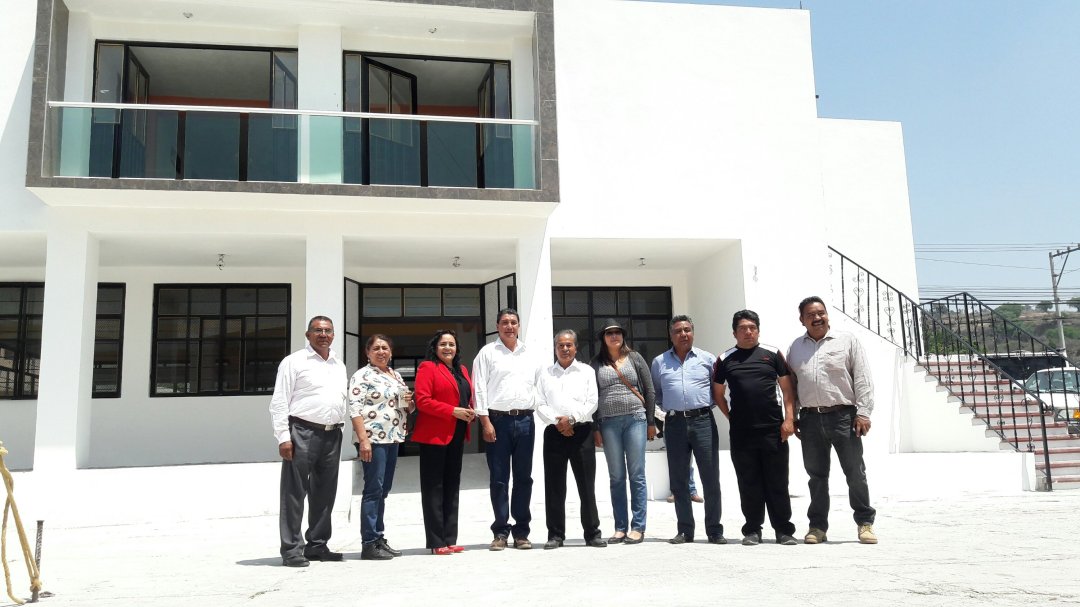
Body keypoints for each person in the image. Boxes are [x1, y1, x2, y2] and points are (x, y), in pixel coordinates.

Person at [786, 296, 878, 545]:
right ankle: (817, 527)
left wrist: (864, 413)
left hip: (844, 417)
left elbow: (862, 377)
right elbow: (791, 386)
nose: (817, 318)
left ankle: (865, 523)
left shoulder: (847, 341)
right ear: (802, 320)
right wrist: (793, 416)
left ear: (827, 315)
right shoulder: (795, 348)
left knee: (855, 473)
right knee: (816, 477)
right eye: (810, 315)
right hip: (809, 419)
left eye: (821, 313)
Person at [712, 310, 797, 546]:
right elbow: (718, 394)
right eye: (742, 328)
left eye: (752, 327)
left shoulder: (772, 354)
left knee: (778, 482)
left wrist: (789, 419)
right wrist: (732, 417)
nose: (748, 332)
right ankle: (752, 530)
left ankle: (784, 530)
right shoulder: (725, 359)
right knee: (748, 482)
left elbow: (787, 390)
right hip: (742, 433)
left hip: (773, 430)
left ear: (758, 330)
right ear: (734, 333)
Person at [269, 315, 348, 567]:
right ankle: (292, 549)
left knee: (325, 493)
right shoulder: (294, 362)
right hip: (302, 431)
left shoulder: (338, 364)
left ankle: (317, 545)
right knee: (294, 492)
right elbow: (279, 401)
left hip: (332, 434)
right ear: (308, 335)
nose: (323, 335)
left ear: (333, 334)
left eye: (328, 330)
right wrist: (284, 437)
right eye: (318, 330)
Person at [651, 315, 725, 545]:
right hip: (675, 424)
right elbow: (656, 393)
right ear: (670, 335)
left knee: (710, 478)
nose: (683, 334)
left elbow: (717, 391)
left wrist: (702, 408)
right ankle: (685, 530)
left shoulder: (708, 359)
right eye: (678, 331)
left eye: (687, 330)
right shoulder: (659, 362)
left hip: (703, 421)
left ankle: (714, 530)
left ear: (693, 332)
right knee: (679, 480)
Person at [473, 308, 539, 551]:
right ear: (497, 326)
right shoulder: (487, 353)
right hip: (497, 422)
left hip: (525, 421)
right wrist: (485, 422)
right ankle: (500, 531)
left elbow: (539, 386)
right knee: (499, 479)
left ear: (519, 326)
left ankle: (521, 532)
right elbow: (479, 388)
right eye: (504, 322)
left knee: (523, 478)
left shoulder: (530, 353)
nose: (509, 326)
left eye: (513, 322)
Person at [534, 329, 606, 549]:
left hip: (581, 432)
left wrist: (572, 420)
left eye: (569, 345)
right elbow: (539, 403)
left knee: (586, 485)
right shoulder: (545, 373)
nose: (565, 349)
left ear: (576, 347)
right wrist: (559, 423)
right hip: (554, 433)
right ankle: (555, 535)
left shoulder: (586, 371)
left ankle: (592, 533)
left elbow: (592, 402)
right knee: (554, 486)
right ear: (555, 348)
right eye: (560, 345)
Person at [591, 318, 656, 545]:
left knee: (637, 474)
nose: (614, 336)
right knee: (617, 476)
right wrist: (595, 427)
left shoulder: (635, 358)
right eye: (609, 333)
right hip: (608, 423)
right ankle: (620, 527)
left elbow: (649, 390)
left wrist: (650, 421)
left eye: (617, 332)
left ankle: (638, 527)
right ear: (603, 338)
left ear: (623, 336)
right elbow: (592, 396)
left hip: (635, 419)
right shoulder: (596, 363)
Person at [348, 334, 411, 561]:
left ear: (391, 352)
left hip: (392, 438)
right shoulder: (362, 375)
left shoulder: (395, 375)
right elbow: (354, 409)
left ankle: (379, 538)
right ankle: (369, 543)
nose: (381, 352)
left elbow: (404, 405)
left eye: (385, 348)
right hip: (373, 440)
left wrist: (410, 402)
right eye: (376, 348)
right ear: (367, 352)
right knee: (373, 490)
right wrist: (363, 440)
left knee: (383, 490)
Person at [413, 329, 477, 555]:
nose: (448, 348)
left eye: (451, 344)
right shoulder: (428, 368)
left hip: (457, 433)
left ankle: (450, 538)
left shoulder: (462, 370)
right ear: (435, 347)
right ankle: (436, 541)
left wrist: (469, 411)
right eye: (443, 344)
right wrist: (452, 411)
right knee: (434, 488)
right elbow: (422, 401)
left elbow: (465, 397)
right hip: (434, 435)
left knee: (452, 486)